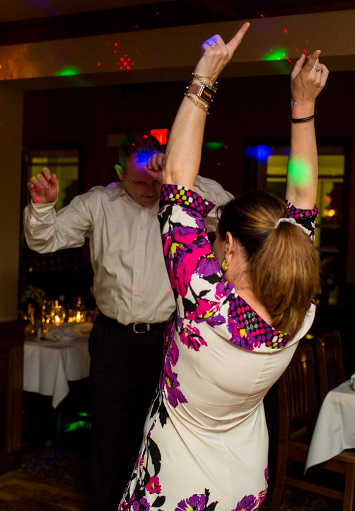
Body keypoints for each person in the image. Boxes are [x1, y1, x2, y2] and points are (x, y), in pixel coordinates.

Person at [119, 22, 327, 510]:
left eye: (216, 241)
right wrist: (304, 106)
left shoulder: (205, 299)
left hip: (179, 482)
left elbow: (174, 179)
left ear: (230, 247)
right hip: (246, 473)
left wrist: (204, 77)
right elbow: (303, 196)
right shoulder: (300, 308)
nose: (210, 248)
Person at [23, 132, 233, 511]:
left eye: (156, 179)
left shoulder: (181, 201)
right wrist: (43, 207)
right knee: (109, 438)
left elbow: (230, 213)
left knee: (162, 437)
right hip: (112, 341)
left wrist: (178, 174)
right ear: (120, 172)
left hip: (168, 340)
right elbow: (45, 239)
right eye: (139, 180)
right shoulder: (98, 203)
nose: (150, 188)